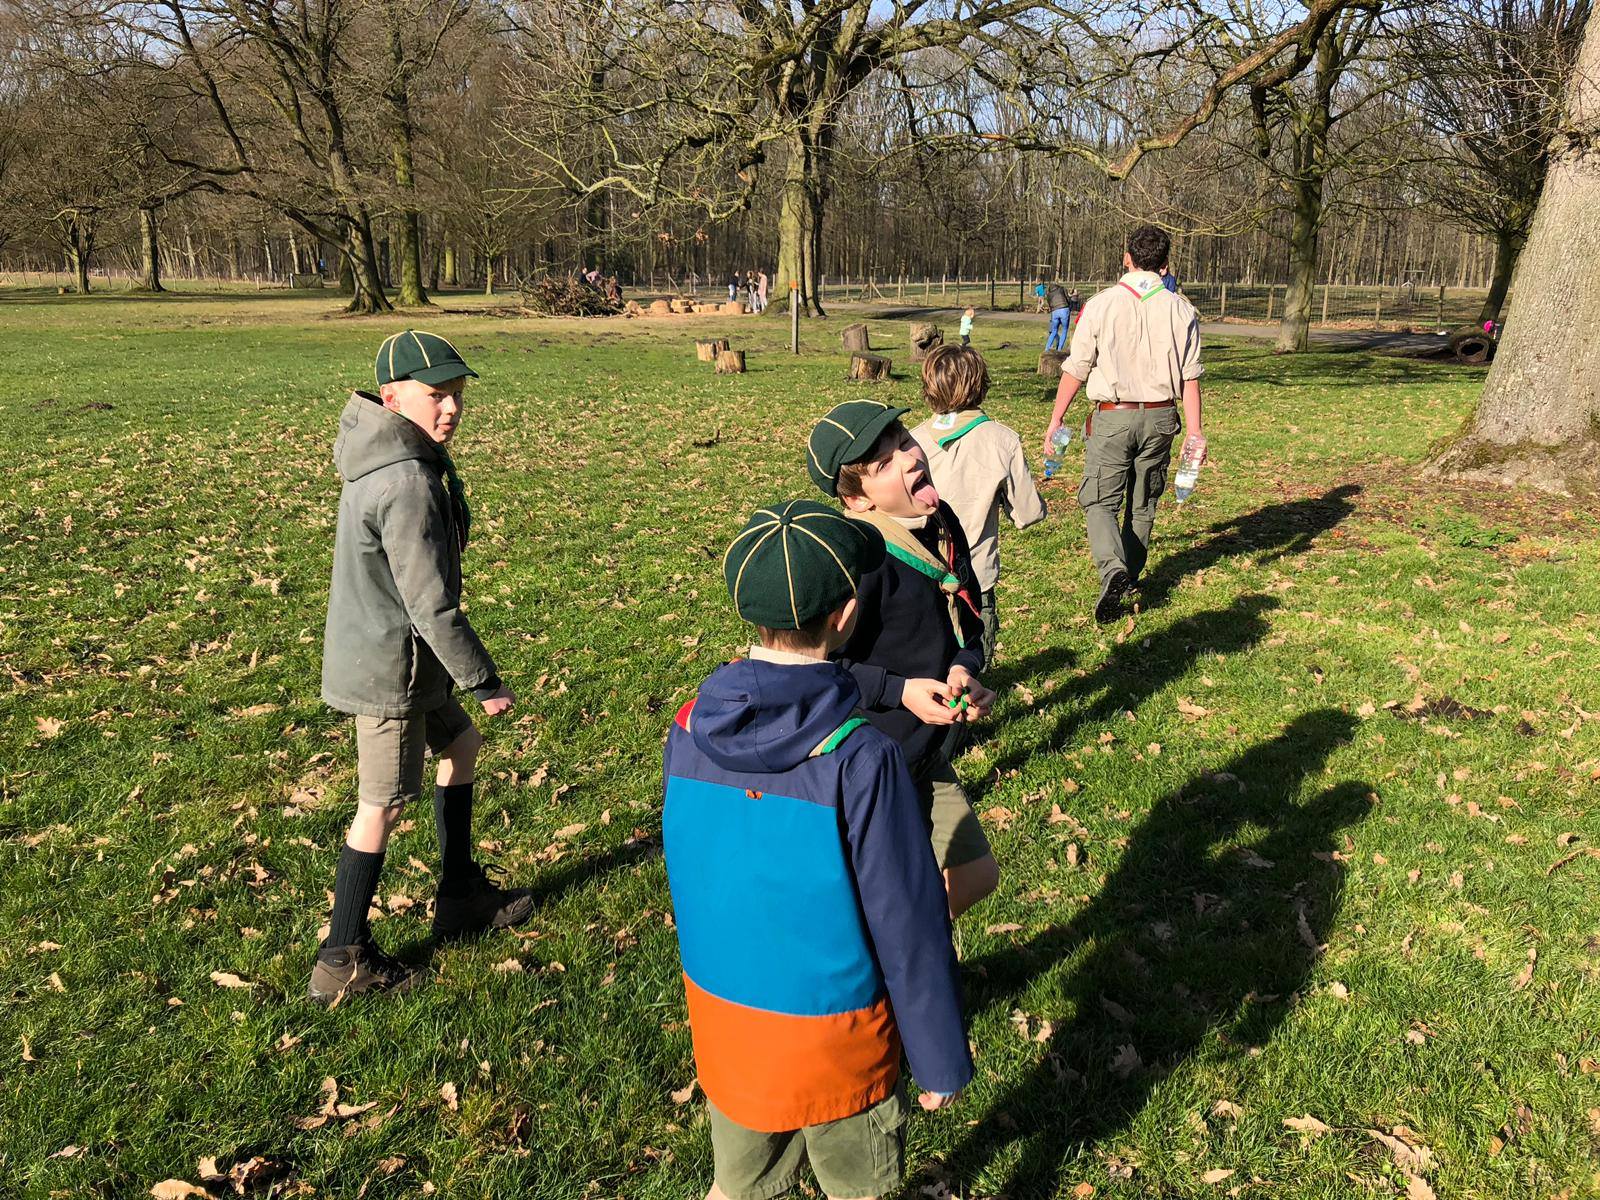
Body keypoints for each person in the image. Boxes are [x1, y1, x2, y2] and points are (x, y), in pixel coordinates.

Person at [663, 499, 972, 1200]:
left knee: (737, 1186)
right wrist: (940, 1057)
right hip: (840, 1041)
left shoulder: (686, 730)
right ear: (845, 614)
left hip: (728, 1023)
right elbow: (908, 919)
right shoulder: (861, 756)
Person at [313, 330, 531, 1004]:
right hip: (393, 667)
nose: (451, 409)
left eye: (458, 396)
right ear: (391, 397)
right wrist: (483, 679)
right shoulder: (406, 480)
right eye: (436, 396)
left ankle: (459, 891)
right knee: (379, 805)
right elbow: (431, 604)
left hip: (404, 653)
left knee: (460, 745)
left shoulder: (398, 459)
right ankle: (340, 957)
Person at [807, 399, 1001, 919]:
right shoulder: (859, 561)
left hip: (920, 751)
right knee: (880, 903)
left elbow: (970, 612)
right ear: (857, 500)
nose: (909, 459)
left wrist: (965, 668)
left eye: (903, 442)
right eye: (883, 464)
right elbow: (820, 669)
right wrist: (901, 691)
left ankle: (914, 969)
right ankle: (895, 983)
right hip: (869, 761)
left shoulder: (939, 519)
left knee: (974, 874)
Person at [1043, 225, 1206, 624]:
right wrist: (1196, 430)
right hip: (1162, 416)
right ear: (1166, 264)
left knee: (1100, 501)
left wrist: (1056, 418)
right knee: (1143, 503)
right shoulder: (1182, 309)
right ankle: (1129, 576)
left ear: (1126, 258)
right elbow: (1191, 377)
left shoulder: (1099, 305)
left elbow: (1077, 367)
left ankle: (1113, 573)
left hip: (1113, 416)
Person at [910, 345, 1046, 665]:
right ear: (980, 385)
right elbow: (1027, 513)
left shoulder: (909, 441)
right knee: (971, 668)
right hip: (975, 581)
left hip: (918, 574)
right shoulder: (1002, 440)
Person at [1044, 281, 1072, 350]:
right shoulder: (1062, 289)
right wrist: (1069, 306)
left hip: (1054, 312)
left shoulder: (1049, 294)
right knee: (1064, 330)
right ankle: (1059, 349)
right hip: (1064, 309)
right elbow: (1068, 298)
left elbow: (1050, 304)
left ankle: (1047, 349)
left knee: (1054, 331)